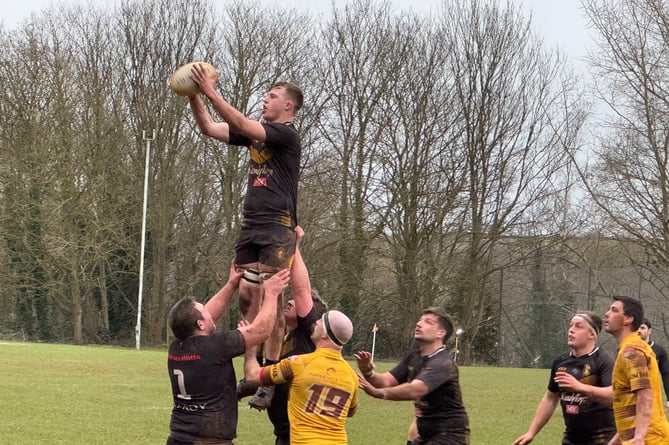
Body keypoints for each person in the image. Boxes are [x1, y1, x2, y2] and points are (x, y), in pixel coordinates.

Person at [189, 65, 304, 408]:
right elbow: (209, 127)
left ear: (288, 106)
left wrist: (210, 90)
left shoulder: (285, 134)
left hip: (277, 227)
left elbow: (240, 122)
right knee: (248, 297)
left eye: (271, 96)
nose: (265, 100)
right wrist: (193, 94)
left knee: (274, 301)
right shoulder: (257, 135)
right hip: (250, 226)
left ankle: (267, 377)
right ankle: (250, 373)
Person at [165, 263, 290, 445]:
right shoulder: (216, 346)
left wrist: (231, 284)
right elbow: (261, 331)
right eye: (204, 311)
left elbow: (203, 318)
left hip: (178, 438)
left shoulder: (176, 347)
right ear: (200, 324)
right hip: (210, 442)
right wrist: (271, 294)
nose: (209, 312)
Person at [355, 307, 470, 445]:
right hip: (425, 434)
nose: (419, 324)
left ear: (441, 333)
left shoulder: (442, 363)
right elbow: (385, 381)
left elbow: (415, 390)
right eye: (420, 320)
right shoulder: (415, 356)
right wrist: (368, 371)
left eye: (427, 322)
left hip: (450, 436)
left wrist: (378, 393)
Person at [242, 309, 358, 445]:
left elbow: (252, 376)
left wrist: (249, 348)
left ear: (325, 334)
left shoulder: (298, 363)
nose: (315, 322)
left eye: (320, 321)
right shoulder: (352, 376)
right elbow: (350, 411)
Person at [512, 311, 615, 445]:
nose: (571, 330)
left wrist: (580, 387)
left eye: (578, 326)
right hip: (571, 438)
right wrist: (532, 432)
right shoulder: (560, 362)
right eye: (571, 325)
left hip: (603, 438)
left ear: (591, 334)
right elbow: (550, 397)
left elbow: (614, 395)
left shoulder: (603, 361)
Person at [604, 296, 669, 444]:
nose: (607, 314)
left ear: (628, 319)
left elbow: (645, 395)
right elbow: (632, 405)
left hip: (650, 439)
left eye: (614, 310)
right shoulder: (631, 348)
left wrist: (639, 437)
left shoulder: (632, 351)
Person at [638, 318, 669, 410]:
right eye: (637, 328)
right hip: (632, 395)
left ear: (649, 331)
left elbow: (666, 374)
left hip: (653, 395)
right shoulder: (628, 349)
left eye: (642, 328)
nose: (639, 331)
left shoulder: (659, 351)